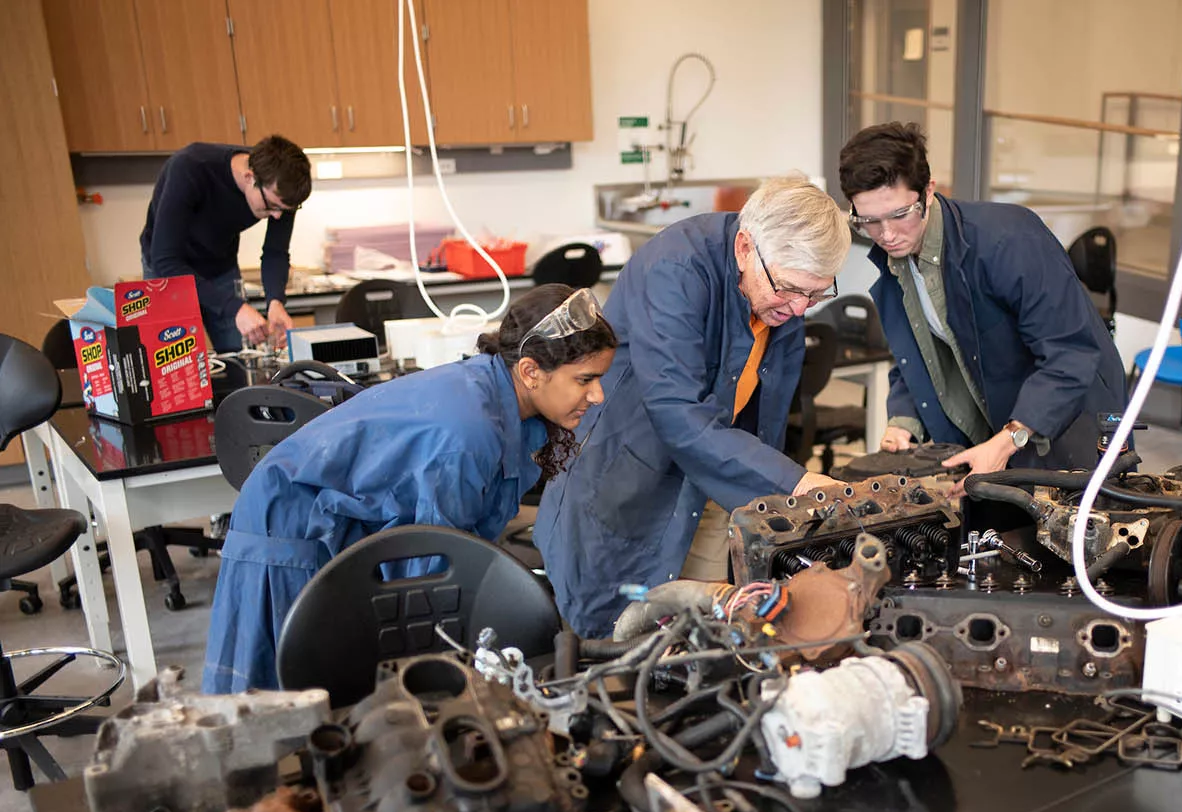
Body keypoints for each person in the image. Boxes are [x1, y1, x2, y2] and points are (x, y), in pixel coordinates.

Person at [203, 284, 616, 693]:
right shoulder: (468, 434)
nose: (597, 395)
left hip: (331, 516)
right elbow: (434, 571)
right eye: (585, 379)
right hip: (288, 522)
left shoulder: (502, 398)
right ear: (530, 371)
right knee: (287, 694)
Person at [535, 175, 852, 637]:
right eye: (789, 289)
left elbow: (768, 412)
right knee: (617, 632)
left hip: (718, 477)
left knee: (704, 629)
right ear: (745, 247)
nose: (801, 308)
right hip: (631, 473)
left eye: (817, 293)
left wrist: (769, 499)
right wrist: (794, 481)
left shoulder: (777, 292)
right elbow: (676, 410)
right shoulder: (676, 269)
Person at [838, 122, 1125, 491]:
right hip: (995, 427)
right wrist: (903, 420)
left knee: (1075, 538)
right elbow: (918, 354)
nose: (887, 234)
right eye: (869, 222)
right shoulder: (898, 258)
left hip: (1071, 422)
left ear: (928, 191)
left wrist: (1009, 440)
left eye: (898, 215)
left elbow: (1070, 355)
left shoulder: (1009, 241)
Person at [140, 135, 312, 355]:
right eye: (271, 206)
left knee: (239, 355)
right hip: (166, 268)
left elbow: (275, 252)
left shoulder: (281, 186)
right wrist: (235, 307)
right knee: (175, 365)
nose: (277, 216)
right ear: (249, 177)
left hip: (220, 266)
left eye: (285, 210)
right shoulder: (191, 168)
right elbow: (165, 260)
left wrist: (275, 301)